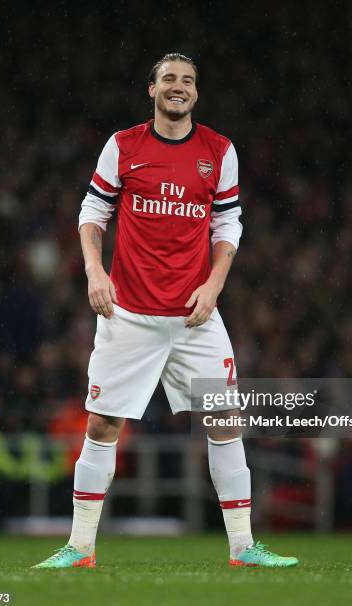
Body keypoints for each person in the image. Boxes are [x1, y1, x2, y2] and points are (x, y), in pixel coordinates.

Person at [34, 53, 298, 569]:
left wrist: (214, 286)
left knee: (225, 419)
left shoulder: (219, 151)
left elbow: (228, 226)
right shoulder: (124, 146)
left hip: (194, 317)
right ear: (151, 89)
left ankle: (243, 548)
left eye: (188, 81)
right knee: (103, 425)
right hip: (127, 313)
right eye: (170, 80)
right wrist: (94, 269)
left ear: (196, 94)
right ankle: (80, 548)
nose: (179, 87)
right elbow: (93, 210)